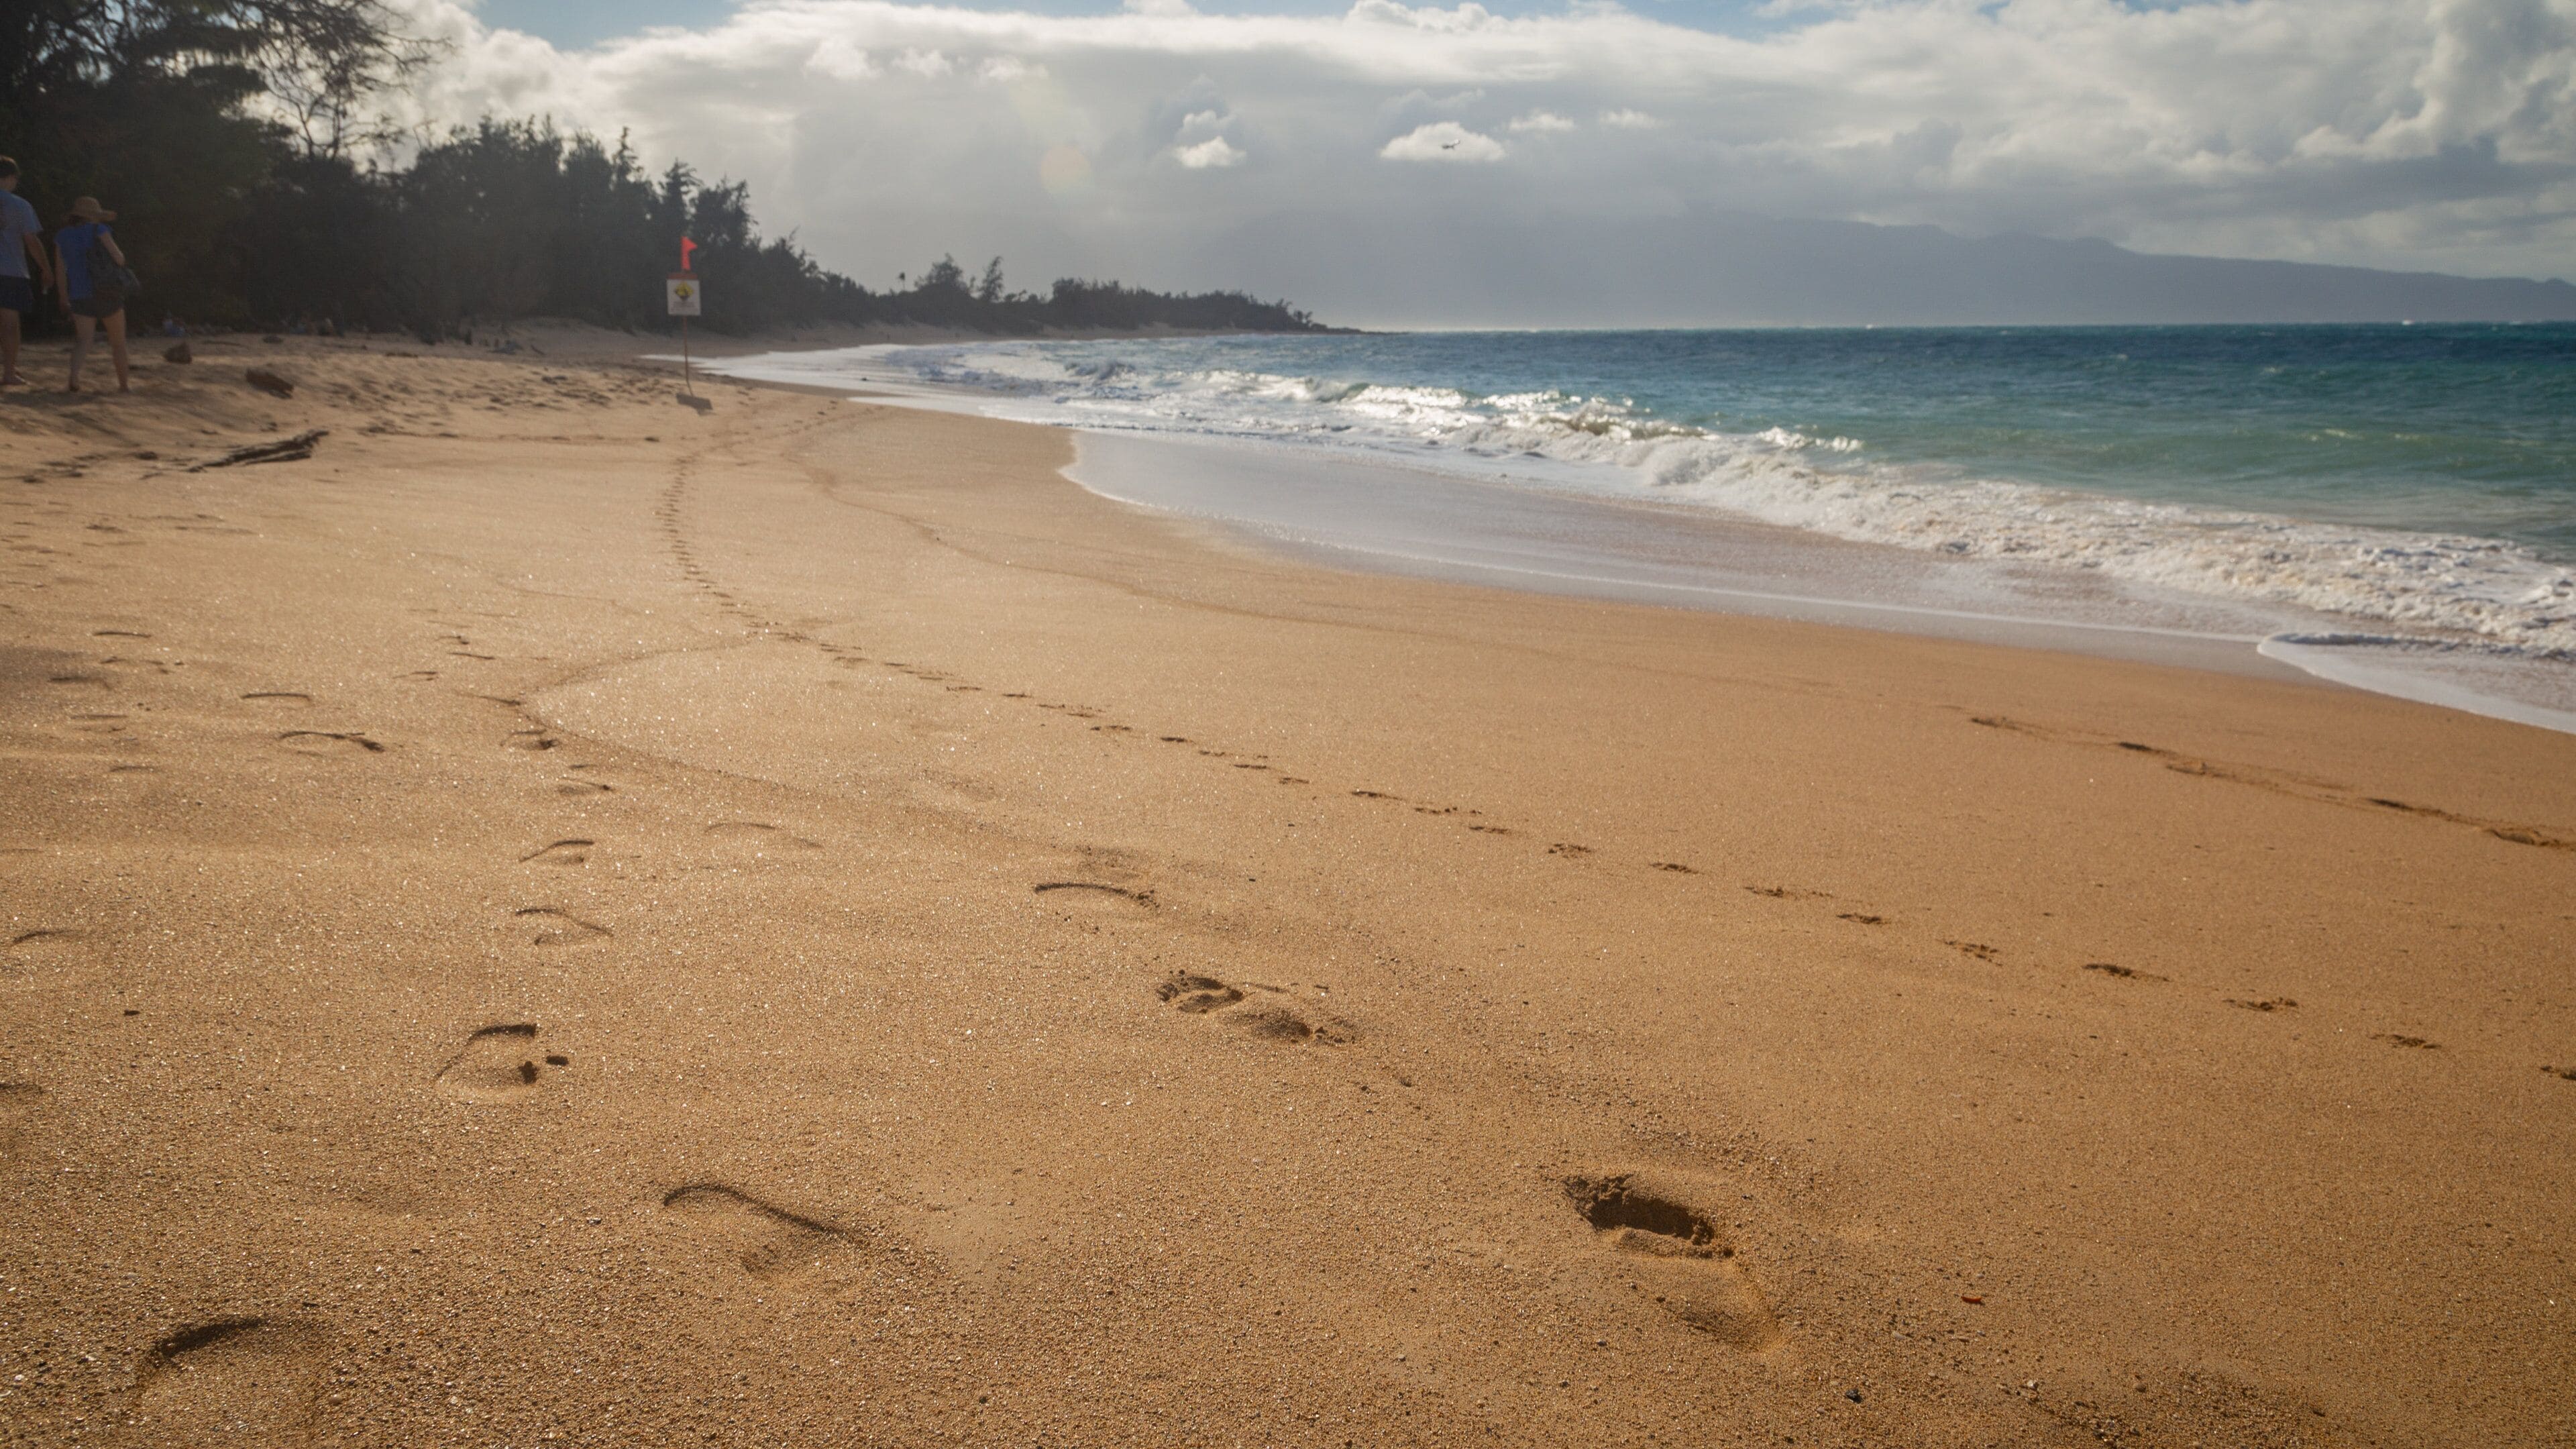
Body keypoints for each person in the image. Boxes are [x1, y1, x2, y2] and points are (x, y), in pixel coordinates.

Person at [54, 196, 129, 394]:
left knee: (83, 340)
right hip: (107, 292)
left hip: (79, 295)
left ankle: (74, 377)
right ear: (94, 216)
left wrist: (63, 297)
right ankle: (124, 385)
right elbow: (119, 259)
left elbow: (60, 271)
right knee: (118, 343)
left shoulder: (62, 236)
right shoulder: (101, 231)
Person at [0, 157, 51, 388]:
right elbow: (31, 240)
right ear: (10, 178)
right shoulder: (19, 205)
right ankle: (9, 373)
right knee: (10, 324)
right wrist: (45, 268)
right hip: (11, 270)